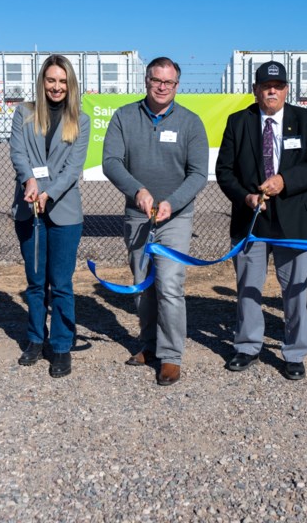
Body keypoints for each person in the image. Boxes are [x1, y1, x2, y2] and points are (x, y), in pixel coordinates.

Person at [216, 61, 307, 380]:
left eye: (278, 86)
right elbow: (224, 170)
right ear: (255, 90)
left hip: (294, 221)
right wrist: (245, 197)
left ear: (286, 89)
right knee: (248, 287)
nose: (272, 91)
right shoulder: (238, 122)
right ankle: (248, 346)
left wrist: (285, 181)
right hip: (251, 220)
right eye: (266, 86)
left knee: (295, 290)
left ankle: (294, 352)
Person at [102, 57, 208, 386]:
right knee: (142, 286)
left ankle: (171, 356)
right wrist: (138, 192)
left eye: (169, 82)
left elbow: (198, 174)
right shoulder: (124, 117)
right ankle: (149, 346)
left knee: (170, 286)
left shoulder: (191, 123)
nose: (162, 87)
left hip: (174, 217)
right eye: (156, 80)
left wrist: (171, 203)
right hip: (139, 216)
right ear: (146, 80)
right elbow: (111, 161)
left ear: (177, 86)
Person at [10, 55, 90, 378]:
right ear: (42, 81)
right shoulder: (24, 113)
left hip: (64, 211)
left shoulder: (80, 120)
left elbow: (73, 168)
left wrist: (49, 192)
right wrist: (29, 180)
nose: (56, 87)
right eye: (51, 80)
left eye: (62, 81)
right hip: (28, 207)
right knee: (35, 281)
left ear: (70, 84)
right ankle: (34, 338)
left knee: (61, 283)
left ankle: (60, 345)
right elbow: (17, 152)